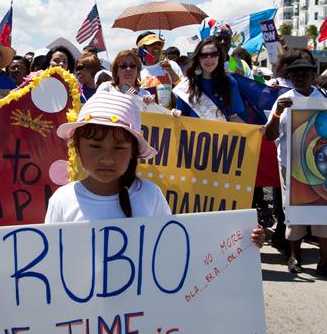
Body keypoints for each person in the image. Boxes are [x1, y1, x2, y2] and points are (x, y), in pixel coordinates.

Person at [45, 91, 266, 248]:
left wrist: (241, 241)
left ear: (133, 151)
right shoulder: (62, 199)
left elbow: (175, 246)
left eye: (119, 147)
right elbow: (51, 257)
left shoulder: (149, 194)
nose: (107, 158)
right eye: (95, 146)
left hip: (141, 312)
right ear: (77, 147)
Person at [264, 53, 327, 279]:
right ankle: (294, 256)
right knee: (295, 212)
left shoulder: (326, 98)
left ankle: (324, 261)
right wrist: (278, 113)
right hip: (292, 166)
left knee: (325, 213)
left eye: (305, 73)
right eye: (295, 74)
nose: (300, 77)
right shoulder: (283, 100)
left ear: (312, 75)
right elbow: (269, 136)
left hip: (322, 167)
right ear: (289, 76)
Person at [174, 35, 246, 122]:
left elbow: (233, 117)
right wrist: (175, 114)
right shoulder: (187, 85)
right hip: (193, 135)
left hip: (221, 134)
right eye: (204, 55)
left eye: (214, 54)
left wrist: (255, 133)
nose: (209, 59)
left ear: (219, 57)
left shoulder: (229, 82)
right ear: (198, 59)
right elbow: (181, 115)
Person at [136, 33, 182, 107]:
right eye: (151, 44)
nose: (156, 47)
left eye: (159, 44)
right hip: (148, 116)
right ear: (142, 50)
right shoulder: (137, 70)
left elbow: (183, 89)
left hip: (170, 116)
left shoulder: (171, 65)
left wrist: (172, 73)